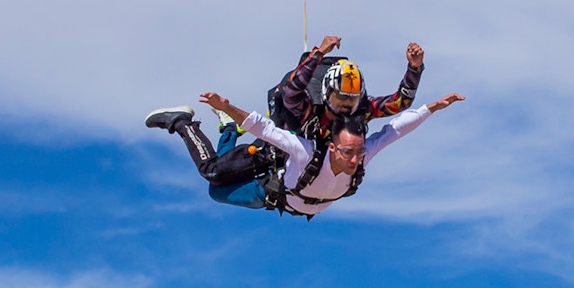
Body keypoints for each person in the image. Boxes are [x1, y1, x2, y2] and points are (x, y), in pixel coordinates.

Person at [144, 91, 464, 217]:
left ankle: (227, 129)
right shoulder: (306, 152)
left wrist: (432, 107)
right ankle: (182, 122)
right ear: (335, 146)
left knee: (216, 190)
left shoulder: (364, 152)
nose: (355, 160)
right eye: (349, 153)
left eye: (358, 153)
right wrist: (227, 105)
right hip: (270, 167)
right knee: (211, 174)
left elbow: (396, 130)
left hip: (276, 199)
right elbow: (264, 128)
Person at [267, 35, 425, 140]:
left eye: (353, 98)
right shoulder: (308, 108)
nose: (347, 104)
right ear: (327, 92)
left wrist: (414, 69)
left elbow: (400, 102)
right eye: (341, 97)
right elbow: (292, 90)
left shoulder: (362, 110)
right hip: (287, 176)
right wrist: (319, 53)